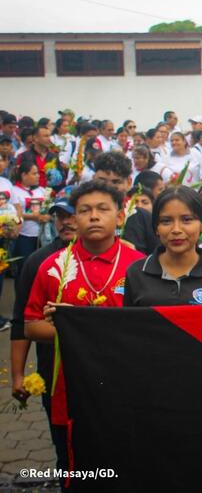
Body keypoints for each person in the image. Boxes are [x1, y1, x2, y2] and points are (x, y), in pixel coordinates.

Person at [24, 181, 145, 476]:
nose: (93, 216)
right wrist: (74, 332)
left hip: (126, 387)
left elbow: (148, 329)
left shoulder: (141, 266)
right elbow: (31, 326)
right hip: (69, 390)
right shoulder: (52, 266)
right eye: (84, 210)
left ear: (119, 216)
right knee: (73, 466)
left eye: (103, 209)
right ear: (74, 218)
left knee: (127, 465)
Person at [9, 197, 75, 471]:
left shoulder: (119, 260)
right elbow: (20, 322)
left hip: (101, 374)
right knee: (62, 448)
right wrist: (18, 376)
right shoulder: (38, 261)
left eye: (73, 214)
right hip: (54, 371)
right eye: (60, 216)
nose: (66, 221)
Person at [124, 186, 202, 306]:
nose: (176, 230)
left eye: (186, 220)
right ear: (156, 228)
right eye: (166, 221)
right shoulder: (136, 272)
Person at [10, 157, 48, 267]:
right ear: (24, 175)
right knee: (24, 267)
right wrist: (35, 216)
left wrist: (47, 216)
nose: (38, 176)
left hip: (41, 236)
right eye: (34, 173)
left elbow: (48, 208)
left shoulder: (41, 190)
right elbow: (15, 213)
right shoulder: (14, 191)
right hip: (24, 235)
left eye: (38, 173)